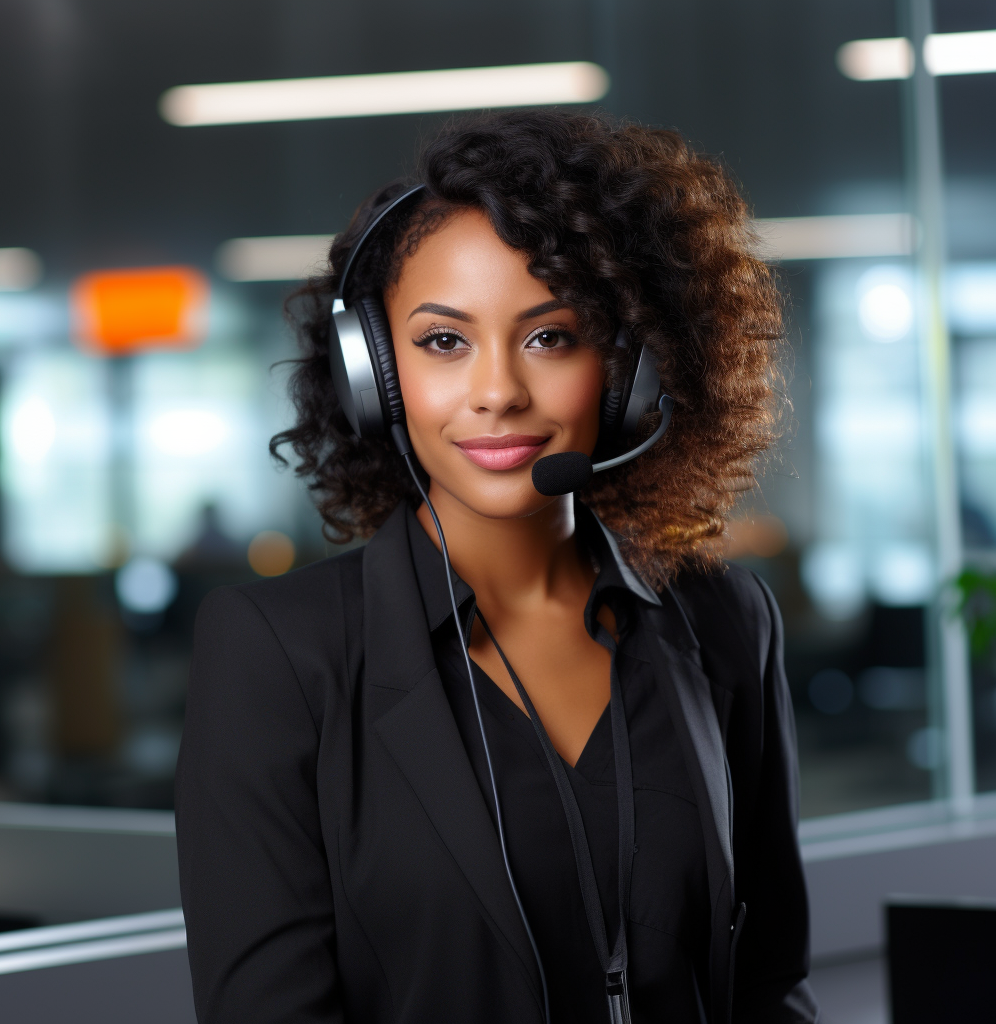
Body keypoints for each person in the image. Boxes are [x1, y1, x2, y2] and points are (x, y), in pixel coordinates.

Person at [175, 109, 819, 1024]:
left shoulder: (723, 622)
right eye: (444, 341)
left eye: (550, 336)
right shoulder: (279, 656)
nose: (498, 392)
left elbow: (770, 984)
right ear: (375, 377)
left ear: (631, 366)